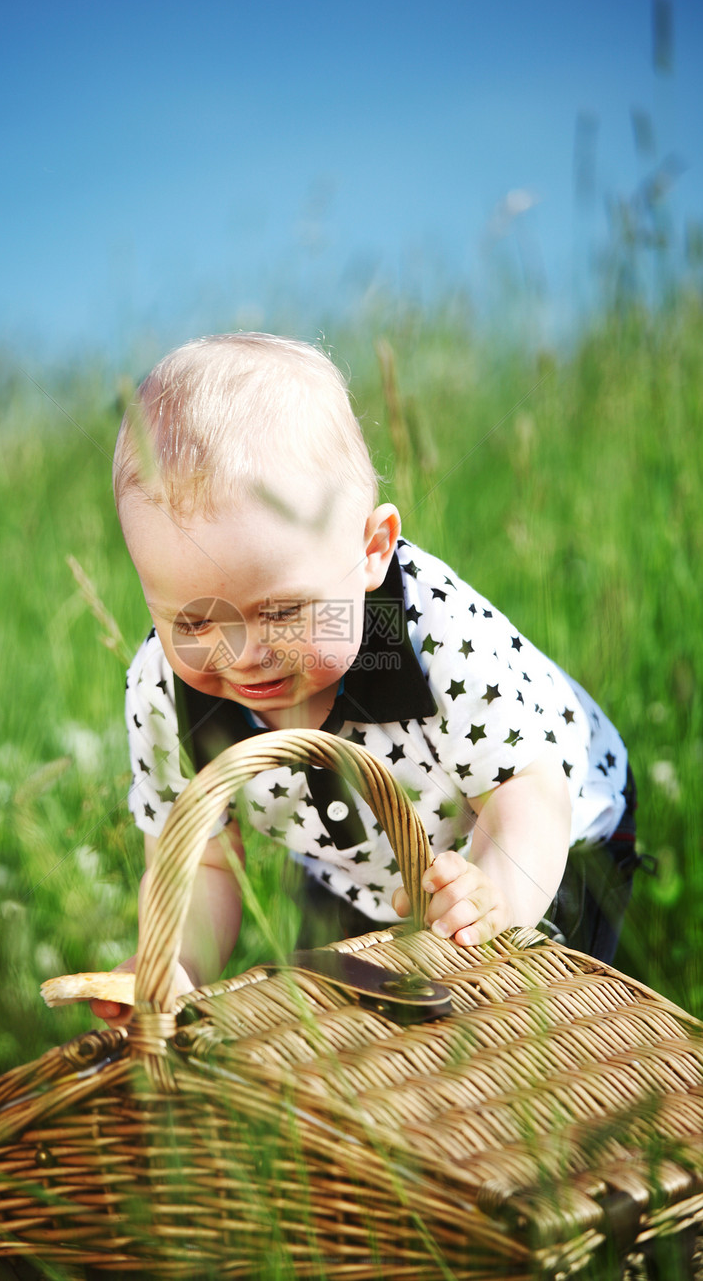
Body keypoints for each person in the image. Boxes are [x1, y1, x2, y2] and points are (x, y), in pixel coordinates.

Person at [91, 332, 638, 1026]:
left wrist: (493, 897)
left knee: (524, 1024)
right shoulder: (165, 694)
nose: (243, 656)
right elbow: (204, 863)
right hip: (354, 866)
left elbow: (529, 795)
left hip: (545, 836)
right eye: (193, 624)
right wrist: (173, 963)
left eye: (283, 611)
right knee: (341, 1031)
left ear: (372, 550)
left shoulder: (433, 635)